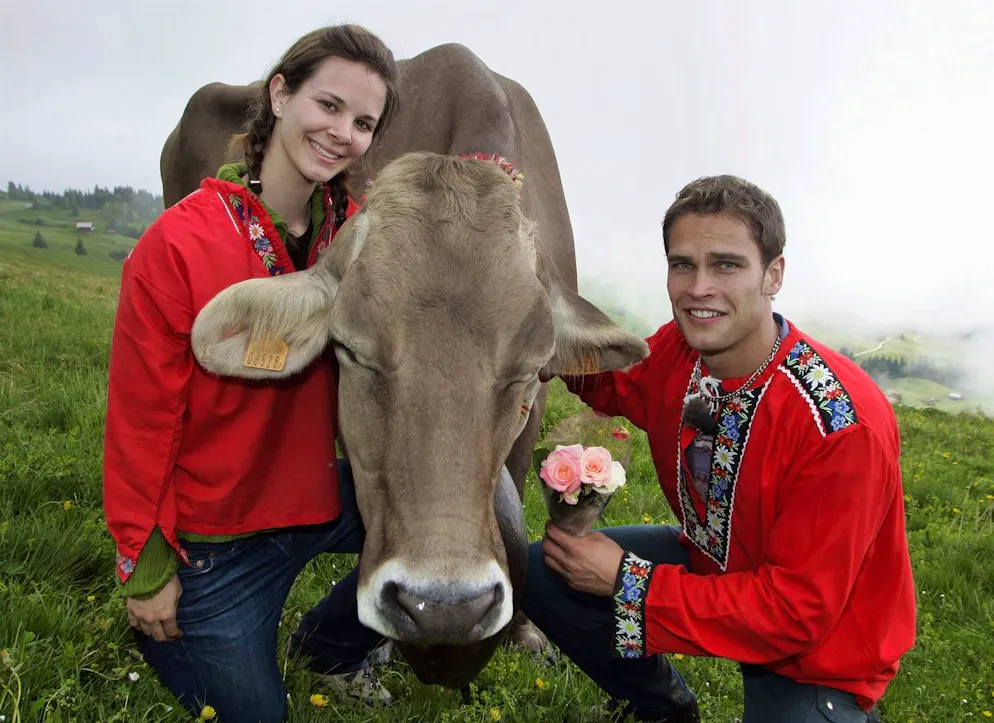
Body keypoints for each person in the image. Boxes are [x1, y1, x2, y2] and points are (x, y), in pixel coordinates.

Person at [524, 175, 917, 723]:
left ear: (773, 274)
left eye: (726, 265)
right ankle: (663, 708)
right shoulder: (681, 350)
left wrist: (630, 582)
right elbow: (617, 380)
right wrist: (537, 339)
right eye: (682, 264)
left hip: (819, 657)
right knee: (542, 567)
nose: (698, 287)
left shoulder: (839, 426)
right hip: (712, 561)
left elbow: (795, 613)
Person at [102, 25, 400, 722]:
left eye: (363, 122)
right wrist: (147, 574)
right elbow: (140, 421)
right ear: (279, 92)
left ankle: (330, 641)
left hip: (313, 503)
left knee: (464, 514)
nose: (342, 133)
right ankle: (174, 630)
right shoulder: (178, 243)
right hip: (213, 549)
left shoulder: (359, 236)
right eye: (327, 105)